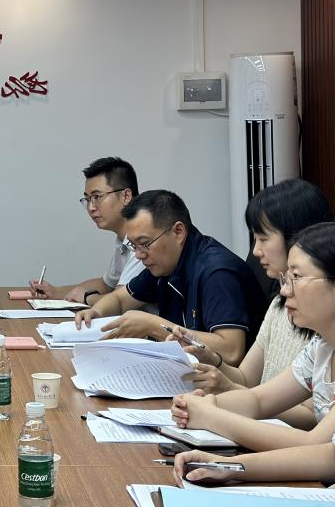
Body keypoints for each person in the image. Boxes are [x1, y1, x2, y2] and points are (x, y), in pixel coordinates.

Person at [170, 222, 335, 456]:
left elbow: (315, 446)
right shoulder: (321, 347)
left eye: (297, 277)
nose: (284, 290)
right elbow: (259, 399)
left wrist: (211, 416)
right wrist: (202, 405)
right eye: (286, 279)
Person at [174, 179, 330, 402]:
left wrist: (229, 391)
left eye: (263, 238)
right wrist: (209, 357)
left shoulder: (321, 317)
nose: (256, 251)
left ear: (298, 236)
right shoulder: (279, 305)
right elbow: (246, 379)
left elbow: (310, 413)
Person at [74, 189, 265, 366]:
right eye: (133, 246)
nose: (139, 255)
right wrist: (96, 312)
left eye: (144, 243)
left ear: (178, 232)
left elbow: (232, 351)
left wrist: (153, 326)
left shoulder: (217, 272)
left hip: (226, 385)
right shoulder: (165, 264)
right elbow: (120, 299)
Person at [30, 157, 145, 307]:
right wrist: (55, 292)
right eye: (88, 199)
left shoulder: (144, 241)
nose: (91, 207)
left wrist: (86, 297)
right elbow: (106, 284)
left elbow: (119, 302)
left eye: (97, 197)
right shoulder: (123, 240)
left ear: (126, 196)